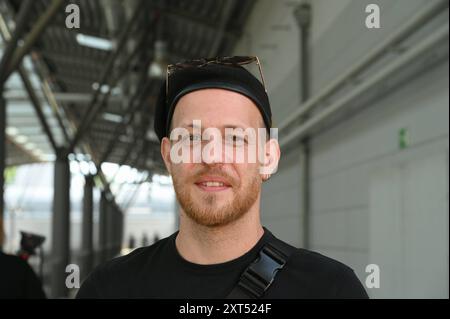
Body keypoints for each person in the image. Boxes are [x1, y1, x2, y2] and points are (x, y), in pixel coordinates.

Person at [77, 56, 368, 299]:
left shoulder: (330, 290)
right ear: (168, 156)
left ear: (268, 157)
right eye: (191, 137)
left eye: (235, 137)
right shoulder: (108, 290)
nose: (212, 156)